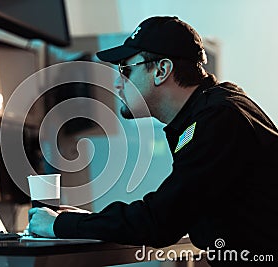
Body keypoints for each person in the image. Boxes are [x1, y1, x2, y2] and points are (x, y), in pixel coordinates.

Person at [28, 16, 278, 266]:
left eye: (125, 70)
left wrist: (60, 224)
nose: (117, 83)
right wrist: (90, 223)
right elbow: (173, 209)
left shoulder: (218, 119)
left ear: (161, 71)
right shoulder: (214, 111)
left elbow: (160, 221)